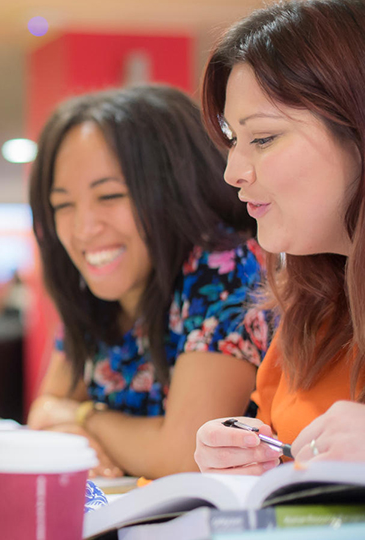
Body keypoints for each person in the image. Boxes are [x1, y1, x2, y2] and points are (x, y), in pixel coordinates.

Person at [26, 86, 272, 479]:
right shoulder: (96, 290)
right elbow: (44, 409)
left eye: (109, 196)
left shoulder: (224, 266)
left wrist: (83, 416)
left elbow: (182, 455)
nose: (84, 229)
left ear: (175, 189)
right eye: (63, 205)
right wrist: (65, 418)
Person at [192, 0, 365, 475]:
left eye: (263, 139)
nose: (232, 172)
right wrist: (246, 462)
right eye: (232, 141)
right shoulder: (310, 311)